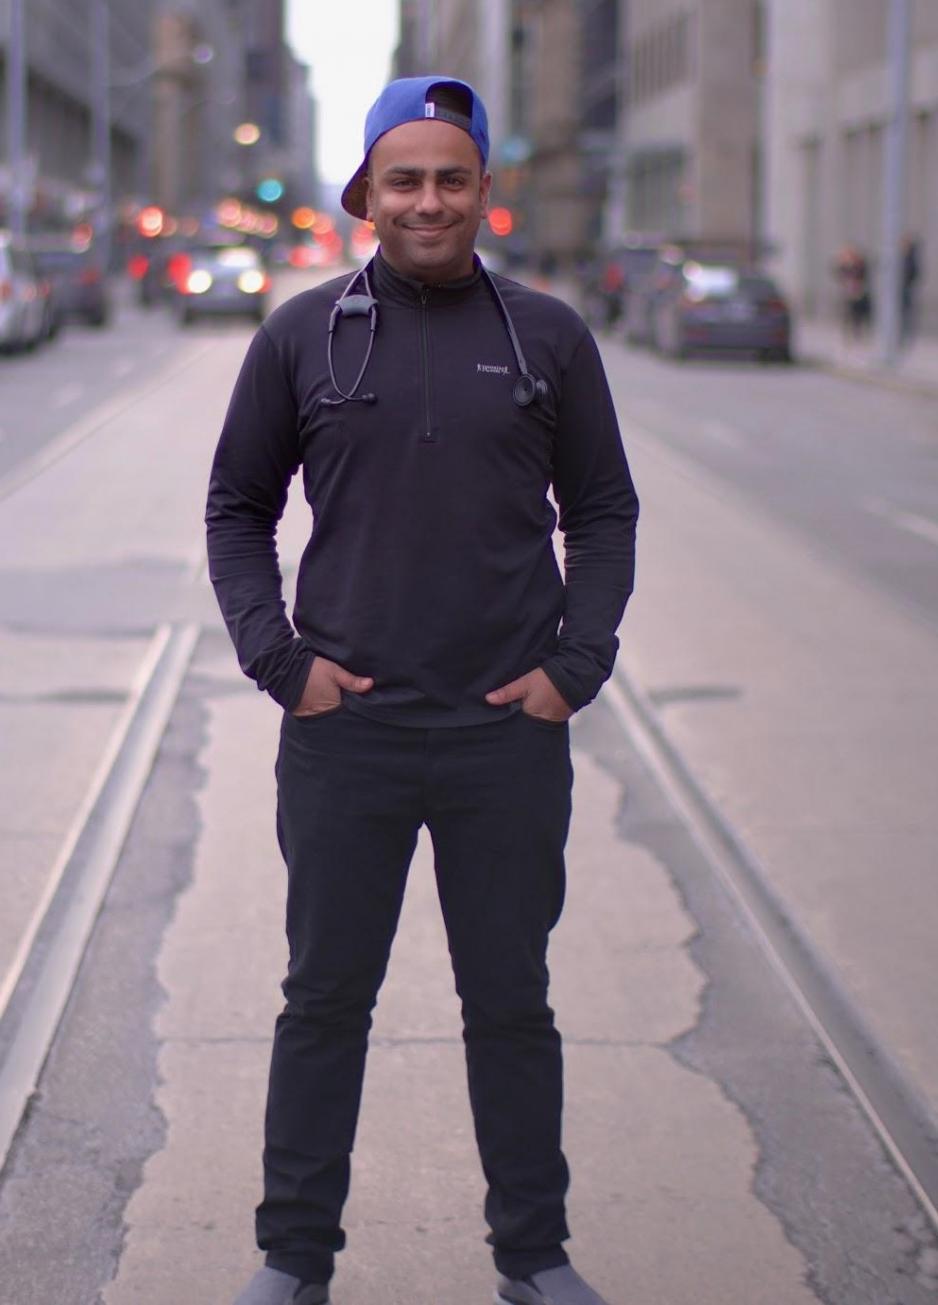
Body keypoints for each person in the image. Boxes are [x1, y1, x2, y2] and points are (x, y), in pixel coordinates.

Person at [206, 75, 639, 1305]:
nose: (428, 199)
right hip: (349, 738)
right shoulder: (300, 333)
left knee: (510, 1001)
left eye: (451, 177)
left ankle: (532, 1257)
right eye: (404, 179)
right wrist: (280, 665)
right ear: (365, 195)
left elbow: (602, 514)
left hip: (507, 733)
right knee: (322, 1001)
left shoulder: (547, 334)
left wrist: (575, 666)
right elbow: (237, 509)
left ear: (484, 193)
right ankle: (294, 1259)